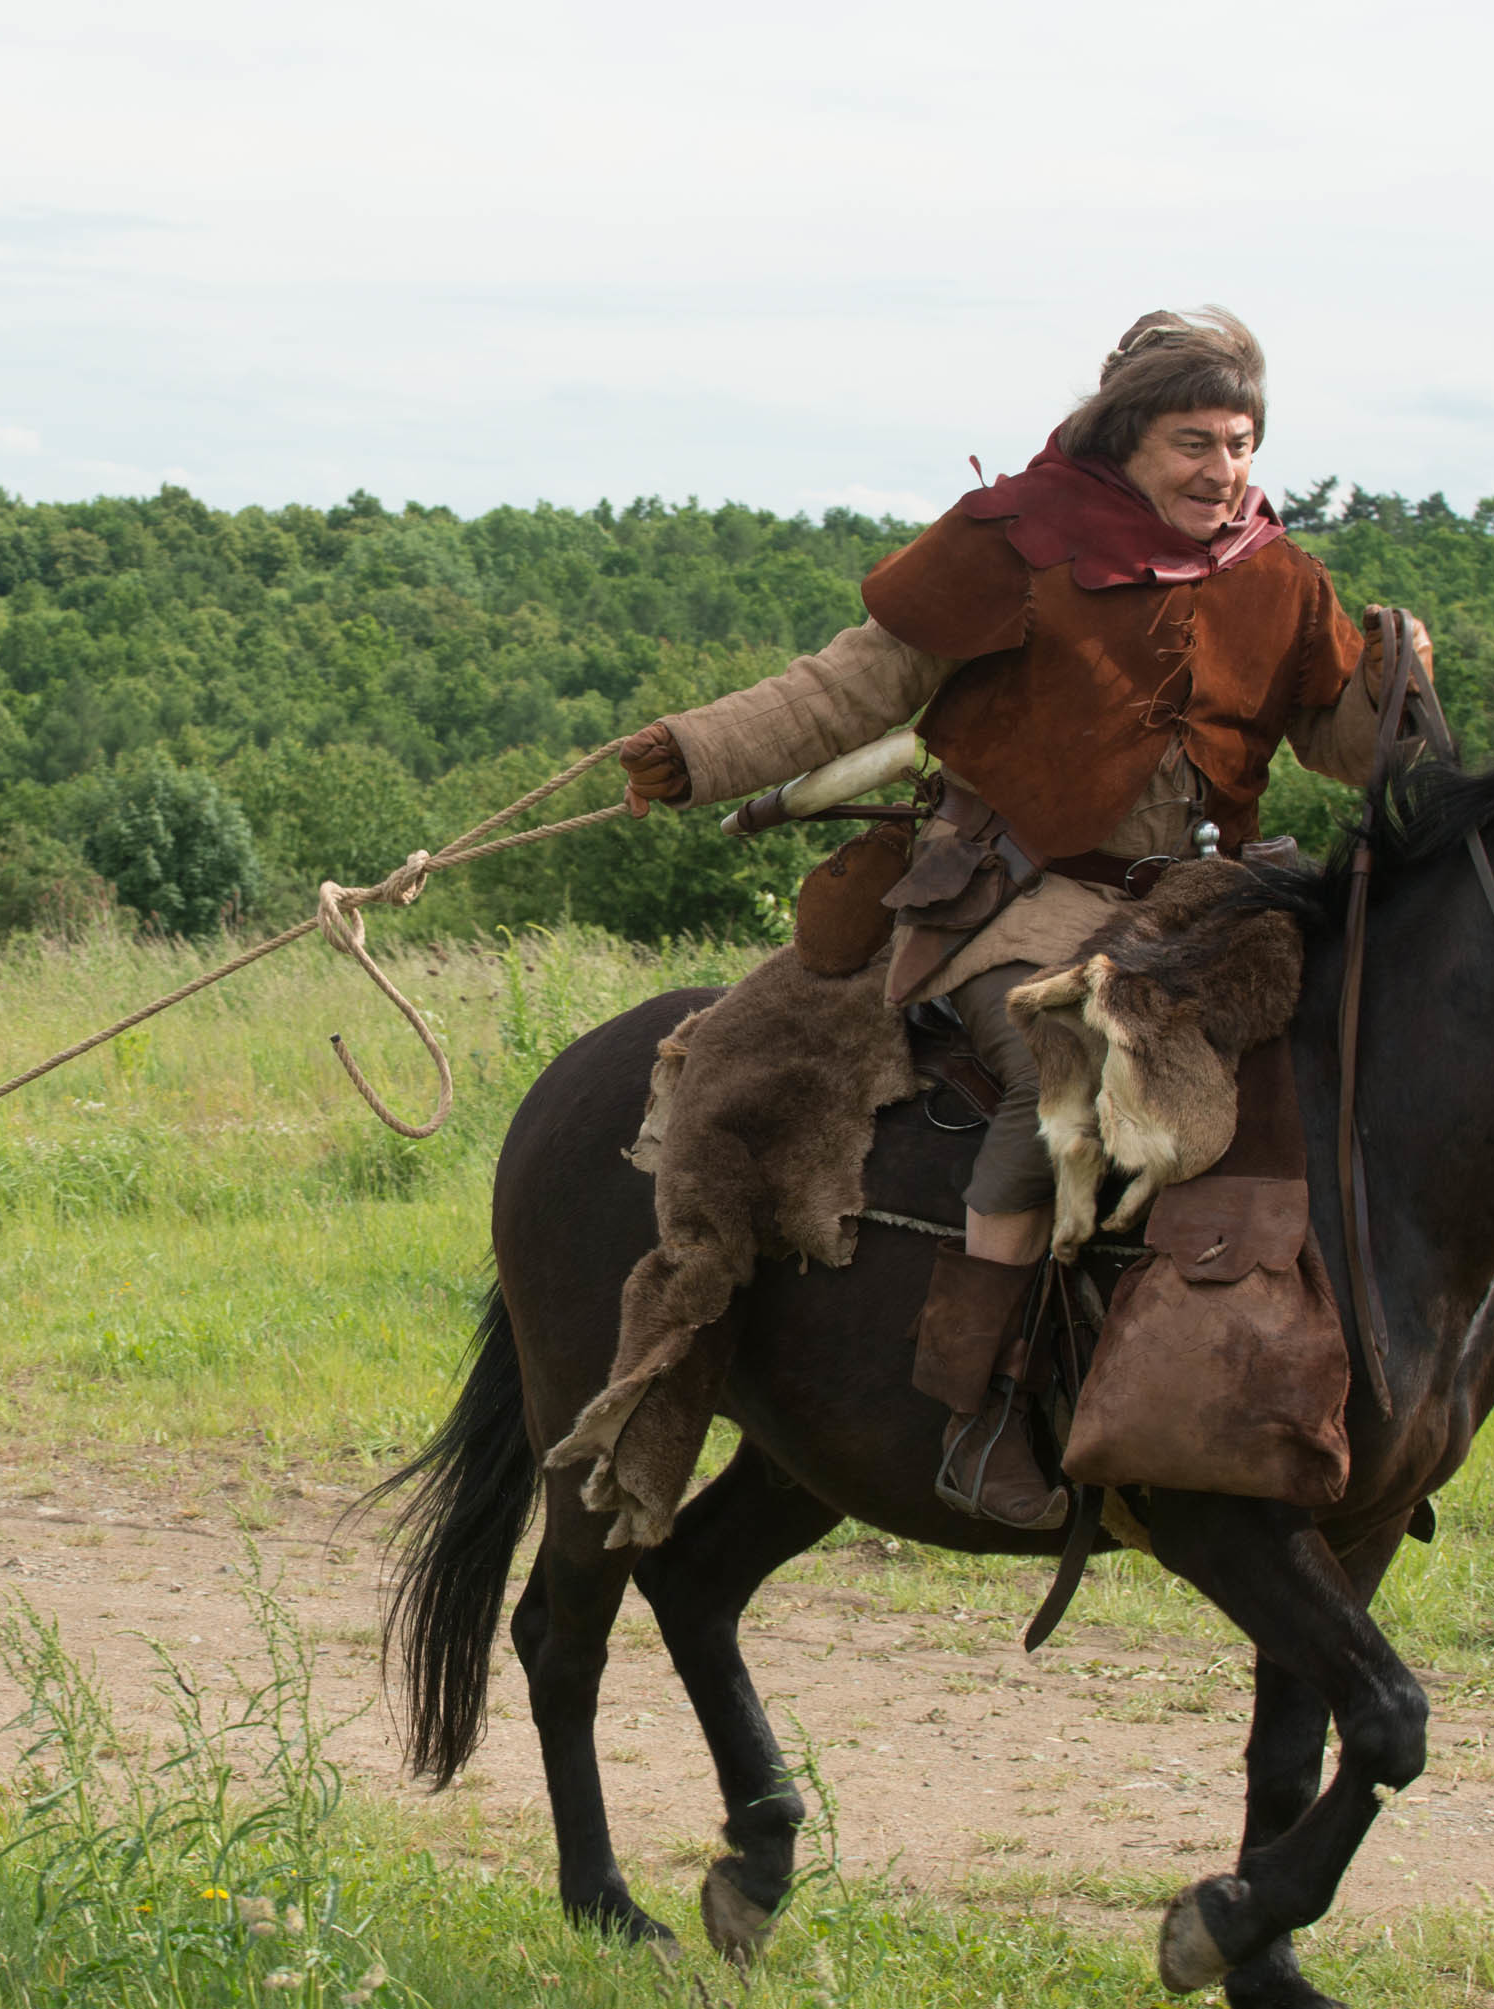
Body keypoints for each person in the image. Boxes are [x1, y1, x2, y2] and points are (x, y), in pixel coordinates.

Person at [613, 307, 1433, 1525]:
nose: (1222, 472)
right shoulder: (1017, 540)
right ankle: (981, 1410)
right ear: (1126, 443)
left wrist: (1391, 683)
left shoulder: (1276, 573)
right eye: (1192, 444)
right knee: (1052, 1078)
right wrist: (695, 751)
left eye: (1241, 444)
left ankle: (1315, 1389)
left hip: (1209, 906)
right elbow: (853, 681)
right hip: (1019, 896)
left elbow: (1341, 750)